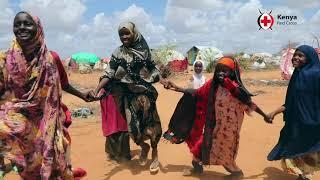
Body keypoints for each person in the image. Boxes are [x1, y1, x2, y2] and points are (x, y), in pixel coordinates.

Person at [0, 11, 92, 179]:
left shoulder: (51, 58)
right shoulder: (5, 59)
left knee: (54, 159)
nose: (21, 28)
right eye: (17, 24)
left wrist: (82, 95)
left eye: (27, 24)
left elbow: (64, 84)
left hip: (48, 118)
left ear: (38, 28)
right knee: (29, 167)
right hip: (19, 120)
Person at [163, 57, 272, 177]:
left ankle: (237, 173)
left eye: (225, 70)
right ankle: (197, 169)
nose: (221, 73)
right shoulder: (213, 85)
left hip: (228, 131)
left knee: (225, 157)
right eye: (219, 70)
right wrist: (177, 88)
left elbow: (249, 103)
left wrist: (264, 115)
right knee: (199, 151)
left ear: (232, 72)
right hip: (213, 127)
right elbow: (197, 93)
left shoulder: (236, 89)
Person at [93, 21, 167, 173]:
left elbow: (153, 69)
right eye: (121, 34)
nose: (124, 36)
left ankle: (154, 154)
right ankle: (144, 147)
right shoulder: (118, 53)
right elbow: (109, 73)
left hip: (144, 92)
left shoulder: (145, 50)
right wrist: (96, 90)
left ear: (134, 33)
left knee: (151, 126)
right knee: (132, 129)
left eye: (127, 33)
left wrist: (163, 80)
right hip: (127, 94)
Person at [267, 45, 320, 180]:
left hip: (313, 123)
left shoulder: (316, 75)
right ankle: (303, 175)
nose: (296, 57)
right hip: (296, 122)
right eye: (295, 55)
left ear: (309, 58)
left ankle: (305, 175)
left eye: (300, 55)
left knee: (310, 148)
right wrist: (274, 112)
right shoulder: (297, 74)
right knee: (294, 147)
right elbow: (290, 102)